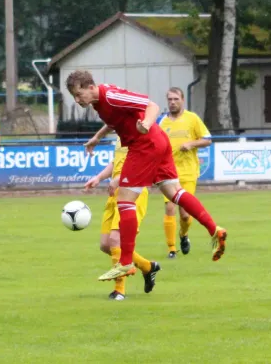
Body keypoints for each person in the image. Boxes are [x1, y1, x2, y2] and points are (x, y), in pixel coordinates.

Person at [65, 70, 227, 281]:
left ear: (90, 87)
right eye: (74, 97)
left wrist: (146, 124)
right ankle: (215, 230)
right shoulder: (99, 104)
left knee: (124, 200)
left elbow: (151, 106)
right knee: (174, 193)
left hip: (145, 145)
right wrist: (97, 138)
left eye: (79, 94)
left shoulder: (111, 95)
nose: (77, 100)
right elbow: (115, 121)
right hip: (155, 142)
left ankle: (125, 263)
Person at [85, 138, 161, 300]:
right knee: (106, 245)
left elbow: (142, 164)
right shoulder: (121, 135)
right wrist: (99, 178)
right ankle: (148, 267)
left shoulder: (142, 134)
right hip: (115, 193)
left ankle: (119, 290)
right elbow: (116, 162)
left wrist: (119, 179)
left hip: (133, 191)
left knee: (116, 240)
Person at [159, 87, 212, 258]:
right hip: (168, 172)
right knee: (169, 207)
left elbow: (207, 140)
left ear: (182, 100)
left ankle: (183, 235)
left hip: (188, 172)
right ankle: (171, 248)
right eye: (170, 99)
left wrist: (191, 144)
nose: (172, 102)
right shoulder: (162, 122)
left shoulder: (192, 118)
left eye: (176, 99)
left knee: (185, 213)